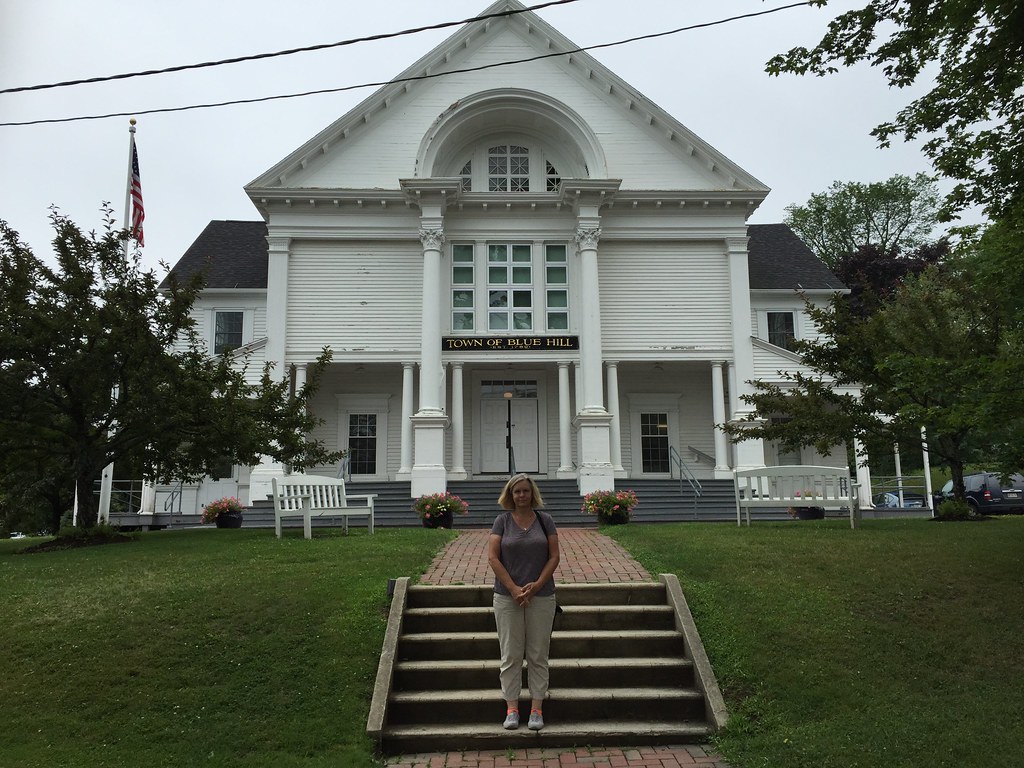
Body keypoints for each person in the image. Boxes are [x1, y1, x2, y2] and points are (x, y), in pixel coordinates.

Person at [487, 472, 561, 731]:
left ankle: (537, 709)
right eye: (517, 491)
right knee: (510, 654)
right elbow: (493, 558)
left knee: (538, 654)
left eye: (525, 491)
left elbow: (554, 556)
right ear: (510, 494)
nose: (521, 495)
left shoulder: (545, 521)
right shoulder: (502, 521)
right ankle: (512, 709)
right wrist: (514, 589)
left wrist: (536, 586)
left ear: (532, 494)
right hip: (507, 598)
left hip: (541, 597)